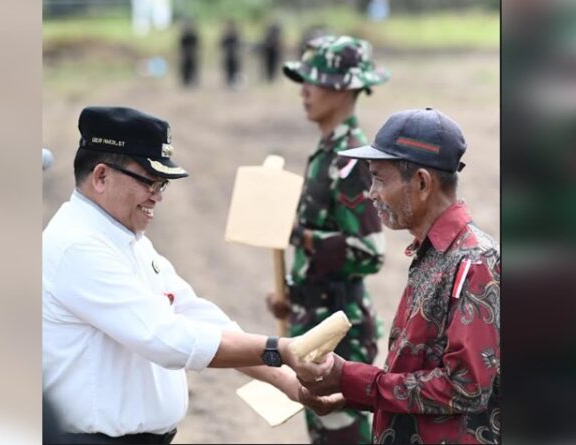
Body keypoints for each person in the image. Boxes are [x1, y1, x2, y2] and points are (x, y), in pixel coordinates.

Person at [42, 106, 328, 444]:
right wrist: (279, 349)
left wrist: (284, 378)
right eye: (149, 181)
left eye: (163, 184)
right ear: (101, 176)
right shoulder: (78, 247)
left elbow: (195, 313)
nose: (158, 196)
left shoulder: (124, 240)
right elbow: (168, 339)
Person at [296, 108, 501, 444]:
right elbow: (420, 374)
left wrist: (351, 378)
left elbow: (464, 388)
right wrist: (350, 394)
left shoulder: (473, 262)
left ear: (421, 182)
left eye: (379, 177)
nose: (371, 193)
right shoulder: (434, 253)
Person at [265, 35, 390, 444]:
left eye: (313, 81)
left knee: (341, 435)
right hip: (317, 321)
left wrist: (297, 236)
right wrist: (293, 295)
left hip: (340, 333)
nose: (303, 91)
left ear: (345, 89)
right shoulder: (329, 152)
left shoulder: (352, 159)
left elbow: (368, 253)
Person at [220, 20, 242, 88]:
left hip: (234, 56)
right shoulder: (225, 35)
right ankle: (229, 83)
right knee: (228, 70)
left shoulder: (235, 35)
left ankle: (234, 83)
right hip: (228, 55)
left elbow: (238, 44)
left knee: (235, 70)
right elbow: (221, 44)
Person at [178, 19, 200, 87]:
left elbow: (196, 44)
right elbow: (181, 45)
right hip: (186, 54)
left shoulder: (193, 35)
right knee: (185, 69)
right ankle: (186, 81)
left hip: (191, 54)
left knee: (192, 68)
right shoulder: (184, 35)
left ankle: (191, 81)